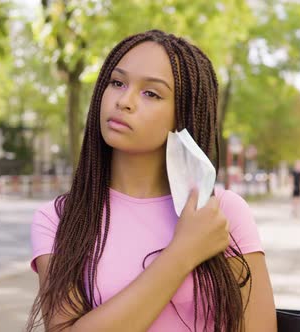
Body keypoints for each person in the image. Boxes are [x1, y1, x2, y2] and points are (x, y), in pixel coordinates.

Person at [26, 30, 276, 332]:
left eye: (151, 93)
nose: (124, 101)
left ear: (183, 114)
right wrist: (182, 253)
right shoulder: (60, 219)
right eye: (117, 83)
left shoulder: (220, 214)